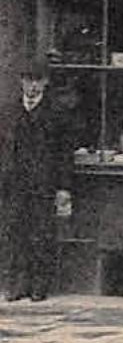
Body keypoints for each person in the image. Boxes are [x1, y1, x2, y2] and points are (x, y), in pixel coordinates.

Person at [2, 60, 71, 302]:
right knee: (14, 232)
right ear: (21, 81)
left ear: (46, 83)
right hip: (13, 183)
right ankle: (16, 283)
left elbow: (65, 154)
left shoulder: (57, 114)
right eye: (28, 80)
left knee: (41, 234)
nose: (32, 86)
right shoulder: (8, 112)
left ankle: (39, 284)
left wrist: (63, 187)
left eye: (37, 80)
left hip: (44, 183)